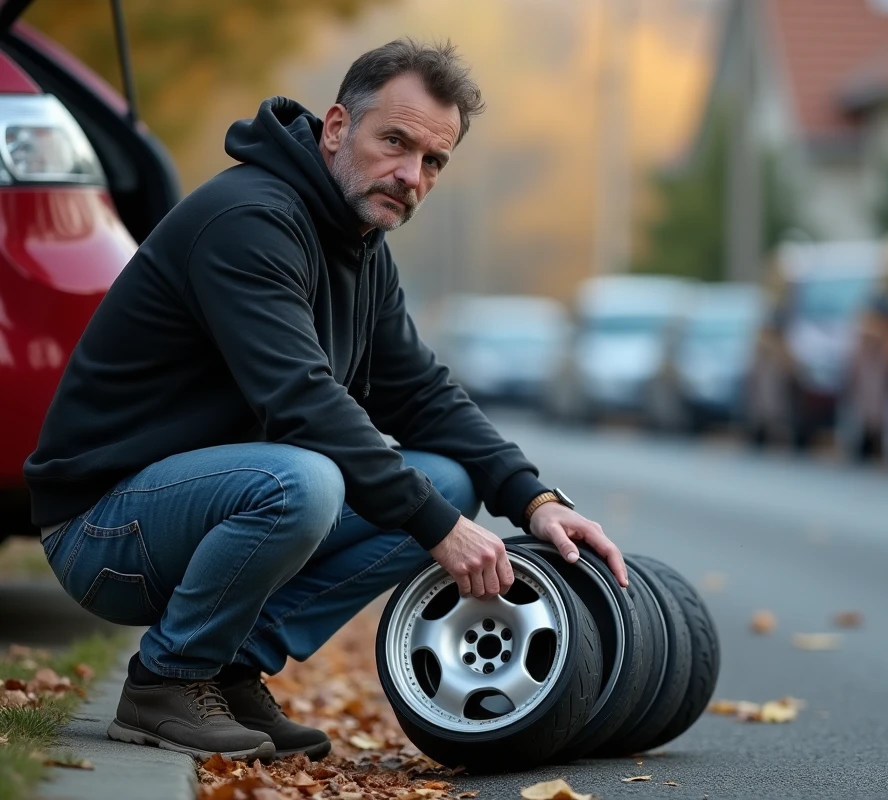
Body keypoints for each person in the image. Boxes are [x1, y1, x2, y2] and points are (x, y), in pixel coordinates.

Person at [24, 38, 626, 763]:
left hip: (197, 506)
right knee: (305, 482)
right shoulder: (247, 221)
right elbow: (301, 400)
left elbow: (423, 395)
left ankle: (229, 666)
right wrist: (438, 528)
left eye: (433, 161)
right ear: (337, 128)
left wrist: (534, 500)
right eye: (395, 142)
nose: (410, 175)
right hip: (103, 529)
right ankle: (166, 682)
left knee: (448, 482)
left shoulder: (362, 246)